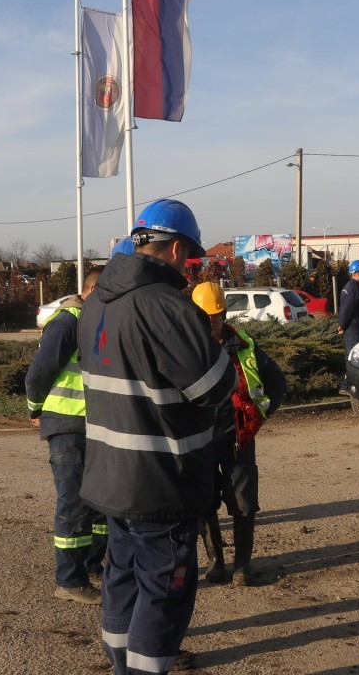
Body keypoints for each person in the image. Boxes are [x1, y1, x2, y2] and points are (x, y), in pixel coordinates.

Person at [75, 198, 237, 675]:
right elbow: (215, 387)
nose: (189, 268)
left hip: (111, 478)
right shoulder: (166, 307)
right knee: (164, 592)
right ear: (177, 249)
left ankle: (120, 664)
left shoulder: (96, 304)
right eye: (190, 257)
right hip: (161, 481)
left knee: (121, 579)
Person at [190, 282, 287, 587]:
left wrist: (259, 416)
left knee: (243, 501)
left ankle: (243, 565)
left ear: (222, 314)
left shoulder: (244, 344)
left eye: (212, 317)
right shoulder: (186, 349)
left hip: (237, 438)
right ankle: (215, 563)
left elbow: (276, 383)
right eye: (202, 318)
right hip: (200, 440)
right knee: (203, 501)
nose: (207, 323)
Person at [24, 266, 106, 605]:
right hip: (68, 424)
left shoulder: (94, 319)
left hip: (94, 425)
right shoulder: (67, 321)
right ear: (93, 291)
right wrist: (35, 408)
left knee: (100, 504)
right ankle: (70, 580)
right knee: (74, 503)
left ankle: (93, 567)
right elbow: (40, 372)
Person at [337, 260, 359, 357]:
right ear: (357, 273)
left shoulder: (356, 287)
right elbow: (347, 309)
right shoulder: (353, 288)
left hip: (356, 329)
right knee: (353, 358)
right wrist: (342, 325)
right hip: (353, 331)